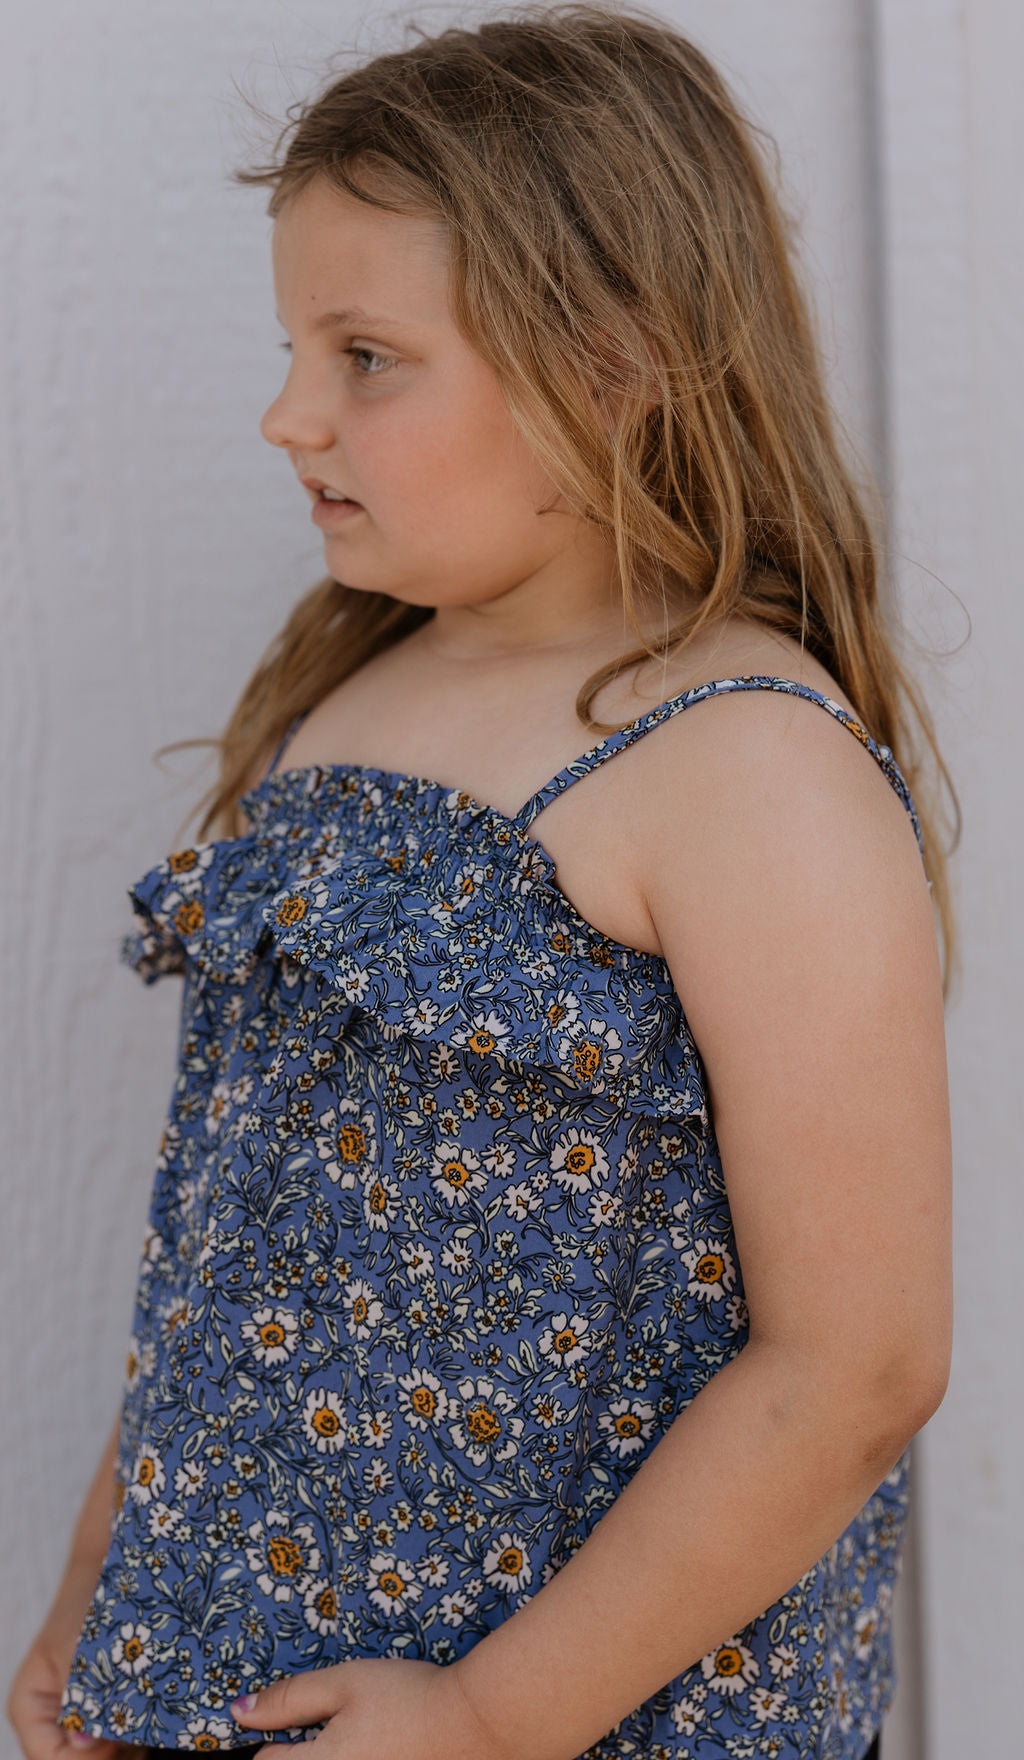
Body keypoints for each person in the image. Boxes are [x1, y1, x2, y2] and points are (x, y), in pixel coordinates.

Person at [7, 6, 954, 1759]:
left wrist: (491, 1717)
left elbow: (857, 1366)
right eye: (295, 350)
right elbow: (224, 1242)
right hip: (251, 1683)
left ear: (616, 361)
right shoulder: (341, 703)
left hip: (584, 1714)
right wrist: (95, 1588)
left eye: (366, 356)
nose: (288, 416)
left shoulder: (745, 765)